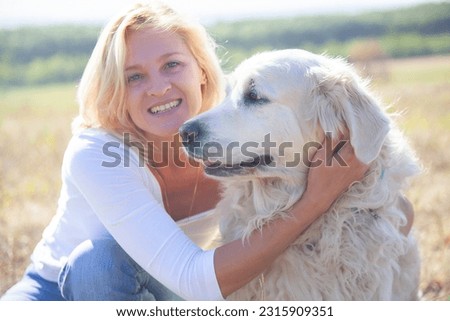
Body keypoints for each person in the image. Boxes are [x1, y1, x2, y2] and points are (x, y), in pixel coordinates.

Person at [1, 1, 402, 301]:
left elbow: (389, 205)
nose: (158, 87)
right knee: (99, 260)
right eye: (134, 77)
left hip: (174, 288)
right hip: (56, 291)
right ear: (115, 90)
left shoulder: (230, 133)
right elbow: (198, 278)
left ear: (203, 70)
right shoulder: (95, 153)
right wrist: (318, 198)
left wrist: (374, 188)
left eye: (172, 65)